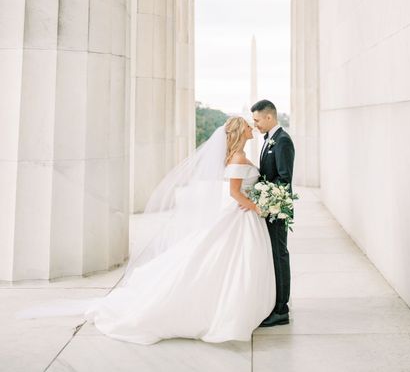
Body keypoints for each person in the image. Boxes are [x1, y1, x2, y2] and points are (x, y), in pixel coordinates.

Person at [16, 117, 276, 344]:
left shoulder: (234, 156)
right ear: (240, 132)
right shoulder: (238, 157)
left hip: (236, 215)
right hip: (239, 214)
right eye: (248, 126)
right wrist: (257, 207)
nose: (252, 129)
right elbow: (234, 192)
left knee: (223, 259)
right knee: (224, 260)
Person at [251, 99, 295, 328]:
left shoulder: (283, 141)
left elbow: (284, 179)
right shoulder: (269, 139)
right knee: (274, 255)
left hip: (277, 209)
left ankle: (281, 310)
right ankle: (276, 301)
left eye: (257, 120)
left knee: (279, 256)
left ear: (269, 117)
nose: (255, 124)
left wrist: (266, 199)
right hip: (268, 208)